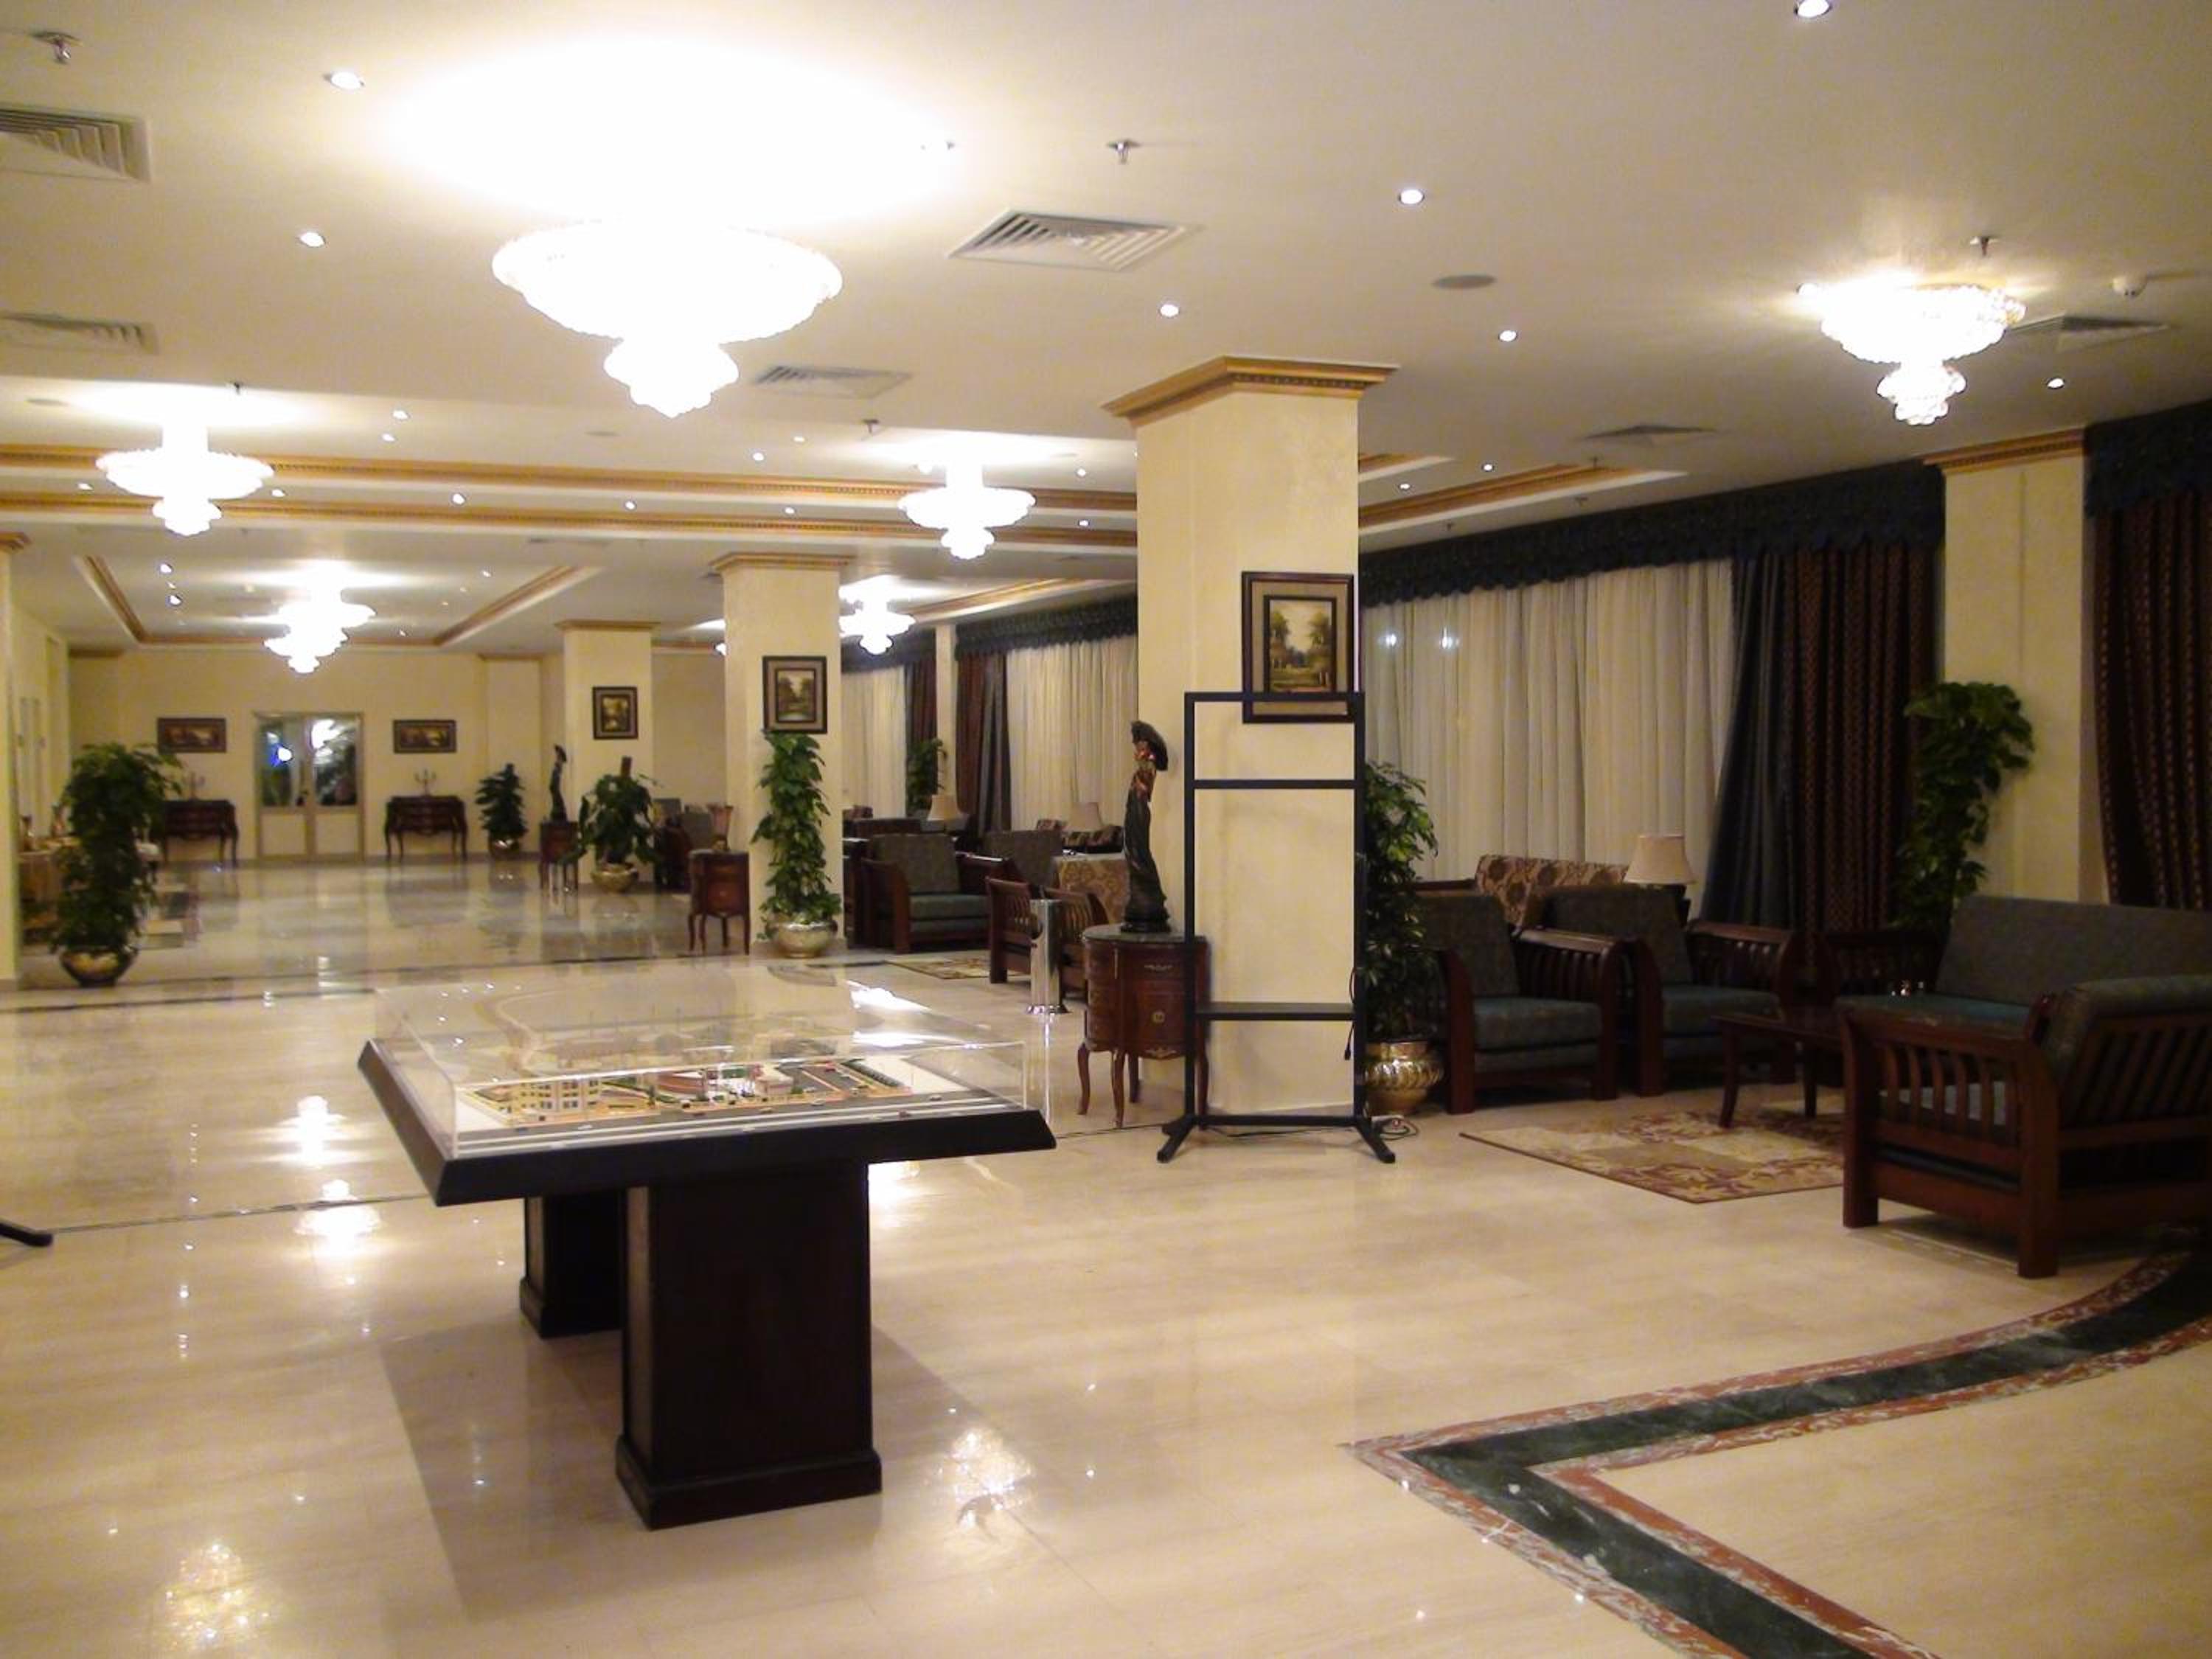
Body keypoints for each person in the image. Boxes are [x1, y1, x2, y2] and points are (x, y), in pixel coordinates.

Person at [1121, 720, 1172, 933]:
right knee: (1132, 846)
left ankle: (1148, 893)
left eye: (1140, 747)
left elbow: (1143, 791)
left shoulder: (1147, 767)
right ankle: (1142, 894)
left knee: (1138, 847)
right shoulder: (1142, 769)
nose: (1137, 752)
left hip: (1140, 810)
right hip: (1134, 809)